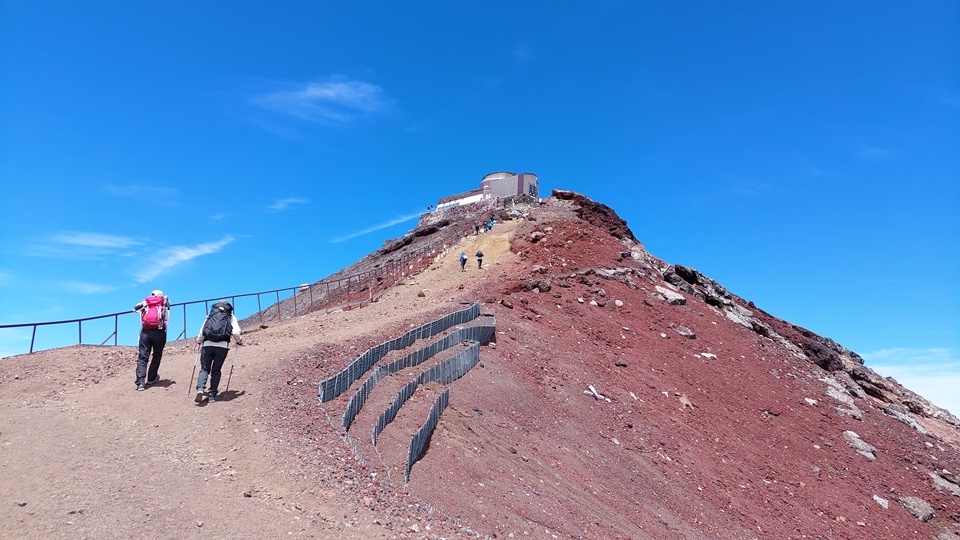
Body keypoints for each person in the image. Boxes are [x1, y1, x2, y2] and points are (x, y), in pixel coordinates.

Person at [194, 300, 243, 403]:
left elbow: (203, 329)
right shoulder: (230, 316)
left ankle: (201, 388)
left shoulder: (210, 315)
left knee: (204, 369)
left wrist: (199, 341)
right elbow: (235, 332)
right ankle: (212, 394)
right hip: (222, 346)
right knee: (216, 370)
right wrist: (239, 341)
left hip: (207, 345)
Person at [133, 290, 170, 391]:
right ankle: (151, 378)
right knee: (157, 355)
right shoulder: (164, 302)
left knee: (143, 357)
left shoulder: (145, 302)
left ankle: (140, 382)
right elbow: (167, 318)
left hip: (145, 332)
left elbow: (134, 309)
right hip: (159, 331)